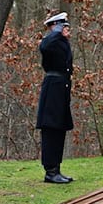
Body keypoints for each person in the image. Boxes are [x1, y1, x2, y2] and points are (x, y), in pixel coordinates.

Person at [36, 12, 74, 184]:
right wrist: (56, 32)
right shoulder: (51, 41)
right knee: (51, 129)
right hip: (53, 89)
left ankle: (56, 169)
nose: (67, 30)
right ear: (56, 26)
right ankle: (50, 171)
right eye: (63, 26)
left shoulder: (61, 42)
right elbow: (44, 46)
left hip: (61, 89)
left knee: (58, 129)